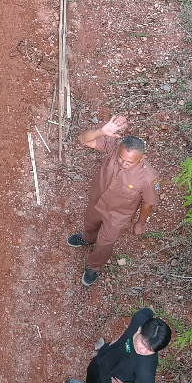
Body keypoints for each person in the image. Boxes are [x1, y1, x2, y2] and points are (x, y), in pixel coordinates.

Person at [69, 114, 160, 287]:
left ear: (142, 158)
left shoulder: (148, 178)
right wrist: (100, 131)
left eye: (129, 162)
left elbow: (148, 203)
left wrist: (141, 223)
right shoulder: (114, 148)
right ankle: (87, 238)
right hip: (98, 201)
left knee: (105, 244)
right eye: (121, 159)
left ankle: (94, 267)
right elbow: (83, 139)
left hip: (118, 216)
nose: (124, 163)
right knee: (90, 224)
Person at [66, 308, 171, 383]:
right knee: (91, 380)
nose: (143, 350)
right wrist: (118, 341)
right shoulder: (139, 319)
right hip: (103, 360)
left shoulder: (146, 369)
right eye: (143, 343)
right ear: (139, 329)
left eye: (150, 350)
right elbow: (148, 311)